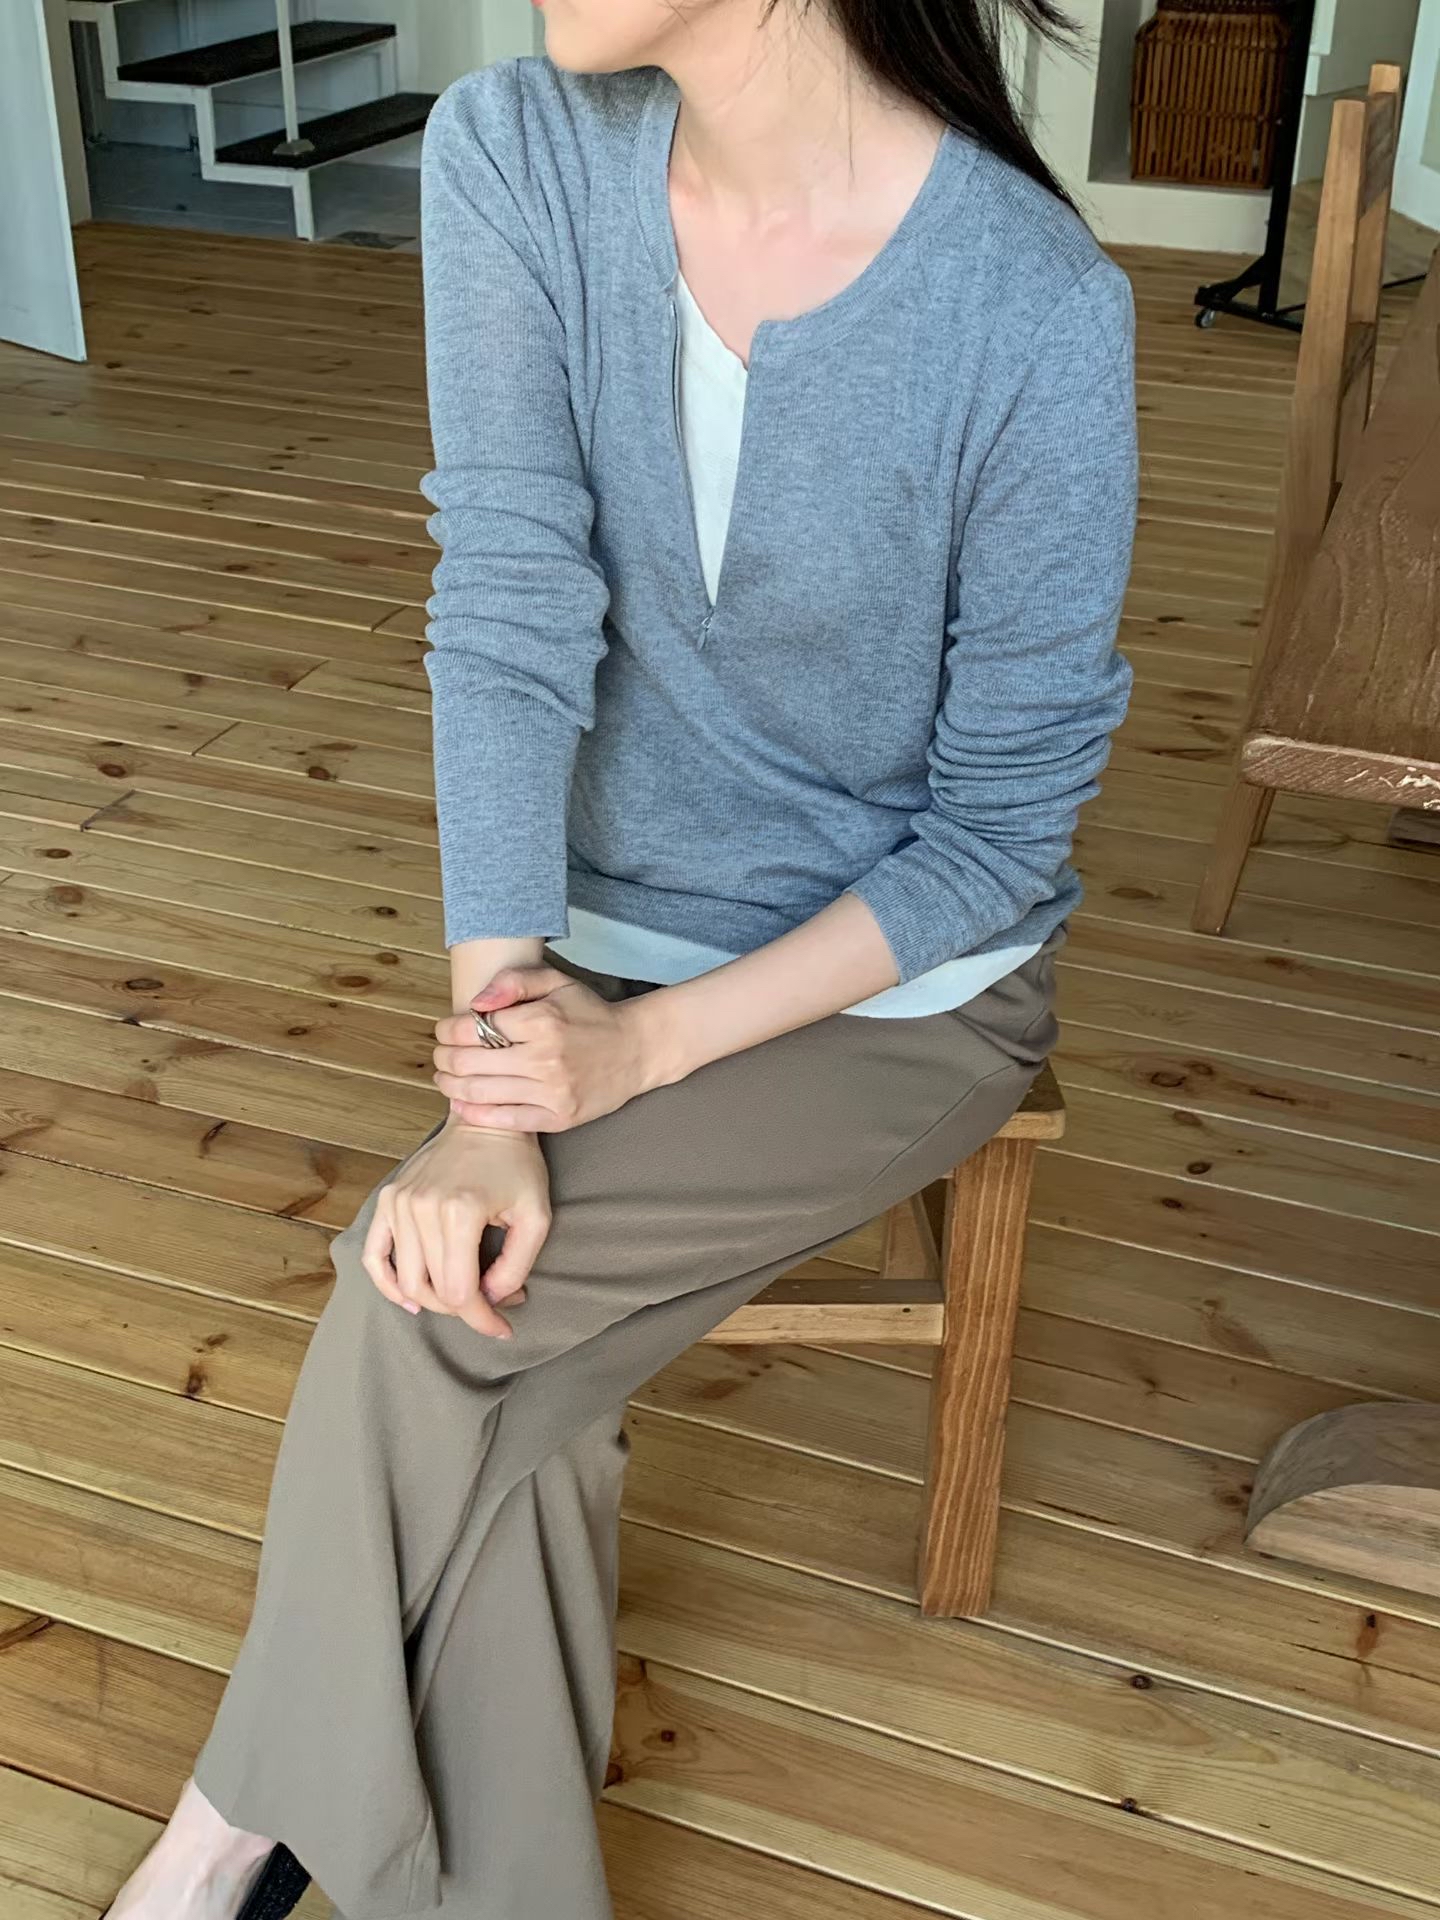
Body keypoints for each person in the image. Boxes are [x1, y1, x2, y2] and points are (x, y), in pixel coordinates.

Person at [105, 0, 1136, 1914]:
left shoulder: (1035, 304)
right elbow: (505, 609)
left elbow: (999, 837)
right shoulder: (517, 152)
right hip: (584, 949)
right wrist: (502, 1077)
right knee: (504, 1349)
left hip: (889, 991)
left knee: (425, 1309)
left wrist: (639, 1058)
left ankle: (232, 1830)